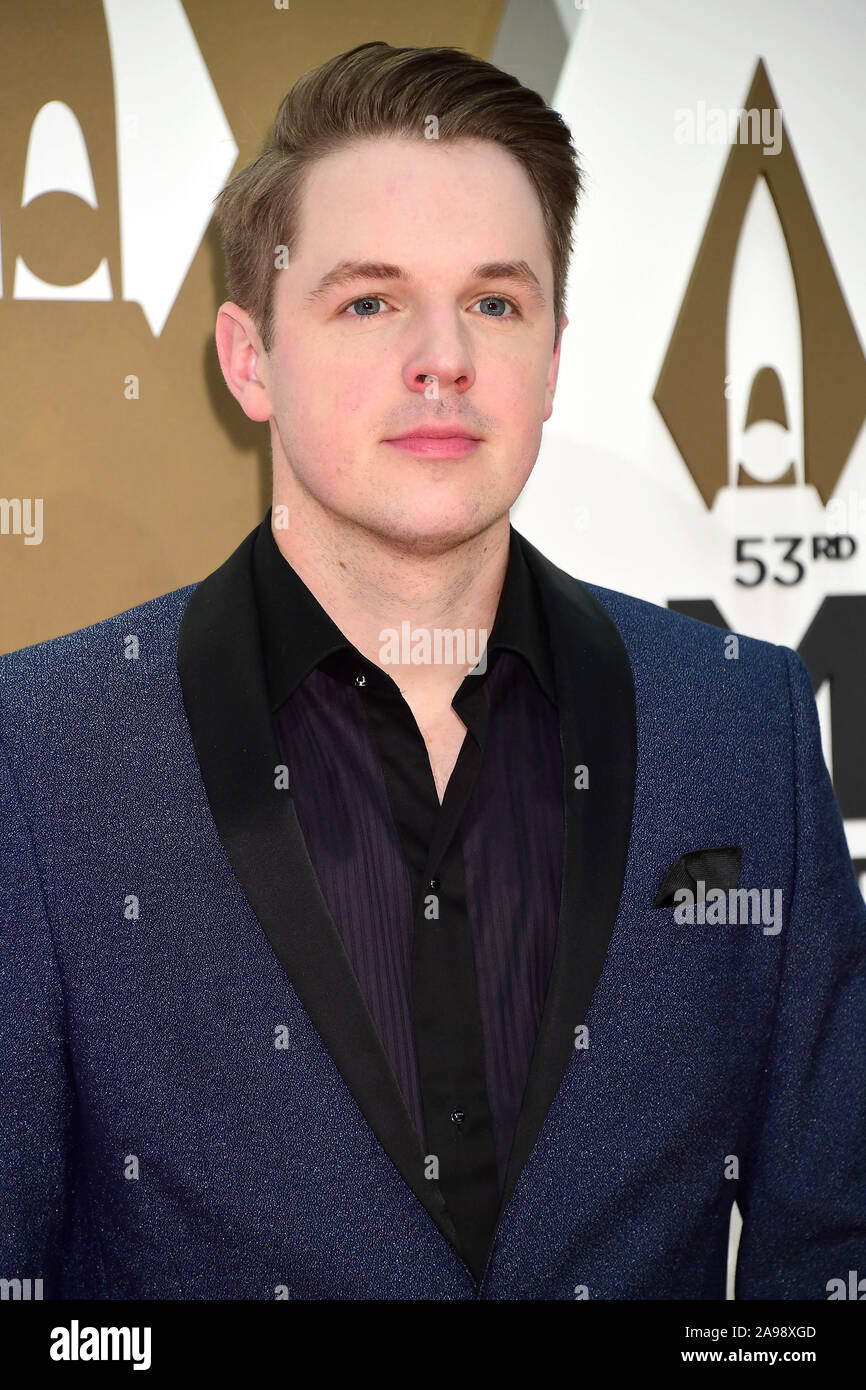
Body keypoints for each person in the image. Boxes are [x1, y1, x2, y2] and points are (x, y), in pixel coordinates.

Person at [1, 40, 864, 1301]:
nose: (441, 358)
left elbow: (829, 1252)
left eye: (495, 302)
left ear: (553, 358)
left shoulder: (741, 722)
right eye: (368, 301)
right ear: (249, 360)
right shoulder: (46, 750)